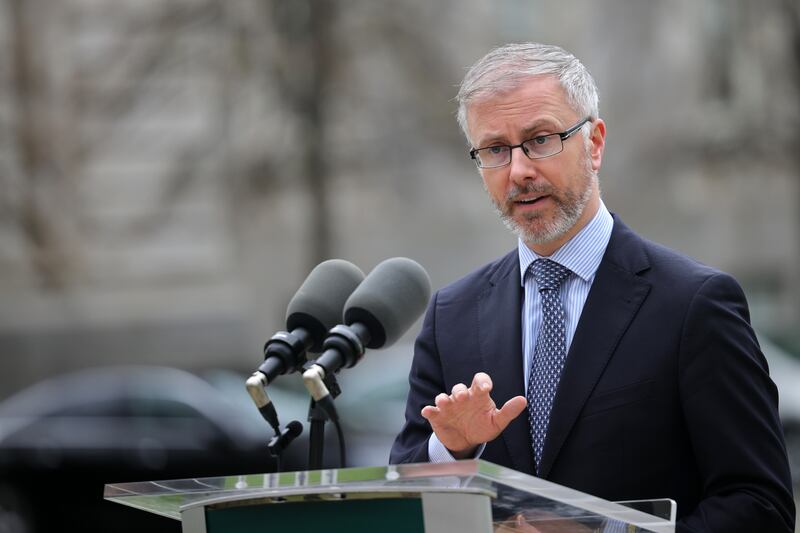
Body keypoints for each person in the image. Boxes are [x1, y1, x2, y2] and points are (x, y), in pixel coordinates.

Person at [389, 43, 795, 532]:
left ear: (595, 143)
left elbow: (761, 506)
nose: (519, 171)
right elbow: (404, 502)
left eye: (541, 139)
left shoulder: (694, 305)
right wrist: (451, 448)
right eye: (495, 149)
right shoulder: (452, 314)